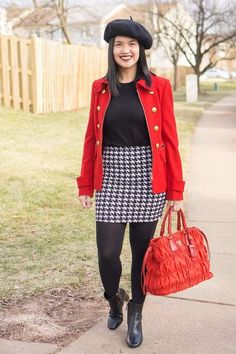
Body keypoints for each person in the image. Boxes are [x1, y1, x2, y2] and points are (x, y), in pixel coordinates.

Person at [76, 17, 185, 348]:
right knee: (107, 253)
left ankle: (136, 312)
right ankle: (114, 299)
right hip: (110, 176)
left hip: (149, 178)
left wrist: (176, 189)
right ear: (112, 49)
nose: (125, 50)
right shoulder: (100, 87)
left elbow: (170, 138)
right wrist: (85, 184)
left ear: (141, 50)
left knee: (141, 255)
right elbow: (90, 137)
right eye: (119, 44)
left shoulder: (159, 86)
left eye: (131, 44)